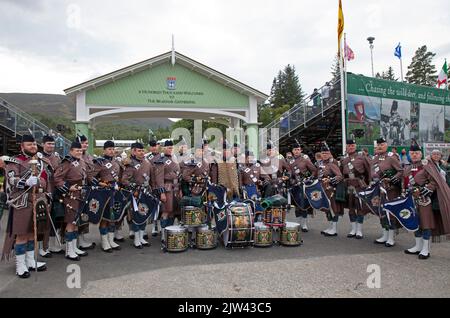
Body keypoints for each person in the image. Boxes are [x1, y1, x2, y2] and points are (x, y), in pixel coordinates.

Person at [1, 135, 51, 278]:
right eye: (29, 144)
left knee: (32, 234)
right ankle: (20, 265)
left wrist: (39, 182)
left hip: (38, 201)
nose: (33, 146)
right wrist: (26, 182)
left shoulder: (41, 161)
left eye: (34, 144)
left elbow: (46, 181)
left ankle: (30, 261)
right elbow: (11, 180)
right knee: (22, 234)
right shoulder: (15, 161)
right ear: (22, 146)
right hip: (21, 202)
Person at [404, 147, 450, 259]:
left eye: (416, 153)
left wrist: (429, 188)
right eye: (412, 153)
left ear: (421, 154)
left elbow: (436, 179)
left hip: (424, 199)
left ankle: (425, 249)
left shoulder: (427, 165)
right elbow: (404, 182)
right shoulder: (407, 167)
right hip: (411, 198)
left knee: (426, 223)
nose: (414, 155)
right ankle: (418, 246)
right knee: (415, 222)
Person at [121, 142, 165, 248]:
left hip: (147, 192)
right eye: (139, 151)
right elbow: (124, 180)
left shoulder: (147, 162)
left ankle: (141, 238)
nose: (141, 153)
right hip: (136, 194)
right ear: (133, 151)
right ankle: (136, 239)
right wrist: (134, 186)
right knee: (137, 216)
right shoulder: (130, 163)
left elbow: (152, 178)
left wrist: (154, 190)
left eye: (142, 150)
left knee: (144, 214)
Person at [54, 141, 89, 261]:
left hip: (81, 193)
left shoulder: (82, 161)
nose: (79, 152)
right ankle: (69, 251)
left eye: (80, 150)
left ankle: (74, 247)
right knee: (70, 222)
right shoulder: (66, 162)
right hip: (71, 195)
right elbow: (57, 178)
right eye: (77, 150)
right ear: (71, 151)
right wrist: (68, 187)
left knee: (76, 222)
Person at [89, 141, 124, 253]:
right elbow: (90, 176)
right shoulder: (99, 162)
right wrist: (99, 183)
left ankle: (111, 240)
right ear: (104, 150)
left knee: (112, 217)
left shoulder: (117, 161)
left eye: (113, 149)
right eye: (109, 149)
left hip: (115, 190)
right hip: (104, 192)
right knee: (104, 218)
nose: (111, 151)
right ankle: (104, 242)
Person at [371, 137, 403, 247]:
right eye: (378, 145)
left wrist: (394, 178)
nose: (380, 147)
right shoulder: (375, 158)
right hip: (379, 189)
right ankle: (384, 235)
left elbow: (400, 171)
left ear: (386, 146)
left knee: (391, 212)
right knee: (382, 211)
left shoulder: (392, 157)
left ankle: (391, 237)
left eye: (382, 145)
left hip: (390, 189)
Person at [340, 137, 371, 239]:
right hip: (349, 185)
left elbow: (369, 171)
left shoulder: (362, 157)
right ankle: (353, 229)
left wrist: (369, 184)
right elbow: (341, 173)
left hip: (359, 185)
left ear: (355, 146)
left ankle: (359, 230)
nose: (351, 147)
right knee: (351, 207)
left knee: (360, 207)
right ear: (346, 147)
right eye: (349, 146)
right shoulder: (343, 159)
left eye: (352, 146)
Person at [38, 135, 62, 258]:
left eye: (52, 144)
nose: (51, 146)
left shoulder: (56, 157)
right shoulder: (38, 157)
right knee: (43, 221)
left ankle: (53, 245)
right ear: (43, 144)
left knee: (56, 219)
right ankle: (43, 247)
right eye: (48, 144)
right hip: (43, 192)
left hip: (56, 191)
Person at [287, 141, 317, 232]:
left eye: (298, 149)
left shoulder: (305, 159)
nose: (297, 151)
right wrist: (290, 179)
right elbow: (288, 172)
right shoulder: (289, 161)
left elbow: (314, 170)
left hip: (304, 185)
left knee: (304, 204)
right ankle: (298, 222)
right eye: (295, 149)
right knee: (296, 204)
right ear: (292, 151)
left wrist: (310, 178)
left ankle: (304, 224)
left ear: (301, 150)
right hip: (294, 185)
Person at [318, 143, 343, 237]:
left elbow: (340, 176)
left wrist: (330, 180)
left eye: (326, 153)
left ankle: (334, 229)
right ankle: (330, 226)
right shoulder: (320, 164)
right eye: (323, 153)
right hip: (322, 189)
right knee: (326, 209)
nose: (324, 155)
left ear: (330, 154)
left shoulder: (332, 164)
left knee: (334, 208)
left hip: (331, 189)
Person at [159, 140, 181, 238]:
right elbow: (159, 178)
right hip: (166, 187)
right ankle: (163, 234)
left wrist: (179, 189)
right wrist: (161, 192)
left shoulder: (175, 158)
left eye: (172, 148)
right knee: (166, 211)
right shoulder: (161, 159)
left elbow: (178, 175)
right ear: (164, 148)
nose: (170, 149)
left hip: (176, 188)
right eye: (168, 147)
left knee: (173, 211)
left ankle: (170, 233)